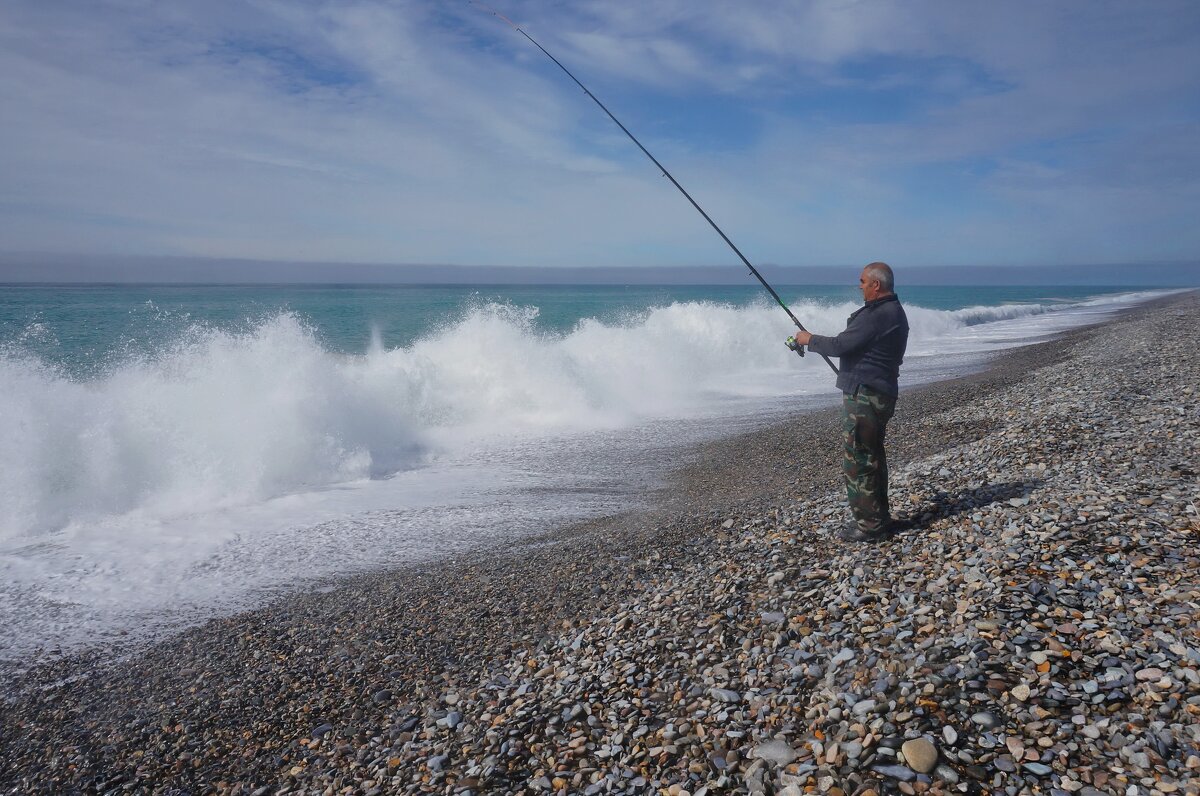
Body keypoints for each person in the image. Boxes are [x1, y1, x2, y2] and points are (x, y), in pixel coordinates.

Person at [790, 262, 910, 542]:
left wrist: (808, 339)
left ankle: (870, 526)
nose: (860, 286)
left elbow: (840, 346)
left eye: (862, 281)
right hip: (878, 391)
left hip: (867, 395)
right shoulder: (892, 312)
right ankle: (879, 518)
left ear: (876, 285)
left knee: (859, 459)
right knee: (872, 457)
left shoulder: (879, 314)